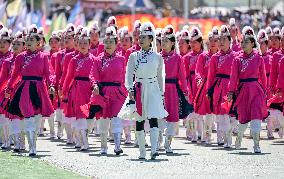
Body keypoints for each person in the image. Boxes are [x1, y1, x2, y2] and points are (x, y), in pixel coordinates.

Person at [5, 25, 54, 156]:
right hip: (25, 88)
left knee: (37, 118)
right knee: (28, 116)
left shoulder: (43, 57)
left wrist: (51, 85)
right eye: (28, 40)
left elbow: (48, 73)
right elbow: (14, 74)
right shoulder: (20, 57)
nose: (28, 42)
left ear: (38, 43)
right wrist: (9, 88)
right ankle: (31, 147)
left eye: (32, 40)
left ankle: (33, 143)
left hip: (39, 88)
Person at [123, 22, 168, 159]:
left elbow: (161, 76)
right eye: (140, 37)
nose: (141, 40)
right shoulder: (134, 56)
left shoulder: (158, 57)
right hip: (139, 89)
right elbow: (129, 74)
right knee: (139, 119)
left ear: (151, 39)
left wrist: (161, 93)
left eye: (145, 37)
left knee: (153, 118)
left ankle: (154, 149)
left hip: (153, 89)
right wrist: (130, 89)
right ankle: (142, 150)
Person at [227, 26, 267, 153]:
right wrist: (231, 92)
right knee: (243, 119)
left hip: (256, 91)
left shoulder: (258, 58)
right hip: (243, 91)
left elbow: (263, 76)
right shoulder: (237, 59)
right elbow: (233, 78)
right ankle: (239, 137)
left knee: (256, 117)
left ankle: (256, 144)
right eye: (242, 41)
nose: (243, 44)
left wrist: (264, 91)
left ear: (253, 44)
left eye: (246, 42)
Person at [90, 26, 126, 155]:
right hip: (103, 92)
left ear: (117, 44)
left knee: (116, 118)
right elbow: (93, 74)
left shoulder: (121, 59)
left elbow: (125, 76)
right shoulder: (98, 59)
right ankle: (103, 146)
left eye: (111, 42)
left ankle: (117, 146)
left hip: (117, 92)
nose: (109, 44)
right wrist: (95, 85)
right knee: (103, 119)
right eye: (106, 41)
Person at [62, 28, 94, 151]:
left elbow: (95, 75)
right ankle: (83, 142)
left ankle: (81, 138)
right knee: (80, 114)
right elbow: (68, 76)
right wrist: (64, 91)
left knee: (89, 117)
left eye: (85, 43)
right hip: (77, 89)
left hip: (90, 89)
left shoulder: (93, 59)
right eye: (80, 43)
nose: (82, 45)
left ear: (89, 45)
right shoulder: (74, 60)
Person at [207, 25, 238, 147]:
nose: (221, 42)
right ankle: (225, 139)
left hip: (231, 87)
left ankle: (228, 136)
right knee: (221, 114)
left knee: (232, 116)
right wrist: (209, 91)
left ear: (230, 41)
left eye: (224, 39)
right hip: (219, 88)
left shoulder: (236, 56)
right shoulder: (215, 57)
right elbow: (211, 76)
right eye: (220, 39)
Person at [160, 25, 187, 153]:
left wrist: (186, 92)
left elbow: (182, 77)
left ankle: (168, 143)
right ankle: (158, 140)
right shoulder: (157, 57)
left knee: (172, 117)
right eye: (162, 40)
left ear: (172, 43)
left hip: (172, 91)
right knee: (159, 116)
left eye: (166, 41)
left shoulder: (178, 58)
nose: (163, 43)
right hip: (159, 90)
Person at [194, 27, 219, 144]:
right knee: (208, 113)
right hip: (206, 87)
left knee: (221, 113)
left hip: (219, 86)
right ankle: (207, 135)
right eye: (211, 40)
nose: (213, 43)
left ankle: (222, 137)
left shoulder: (221, 57)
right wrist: (199, 79)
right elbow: (198, 71)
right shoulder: (203, 56)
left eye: (216, 40)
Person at [183, 27, 203, 142]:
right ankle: (191, 131)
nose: (193, 44)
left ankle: (200, 132)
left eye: (195, 42)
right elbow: (184, 75)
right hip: (191, 85)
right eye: (191, 42)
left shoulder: (205, 56)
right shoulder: (187, 58)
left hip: (201, 85)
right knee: (191, 110)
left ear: (200, 42)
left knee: (200, 111)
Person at [0, 27, 13, 149]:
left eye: (5, 42)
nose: (2, 44)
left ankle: (8, 139)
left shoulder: (13, 58)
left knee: (7, 115)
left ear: (10, 44)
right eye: (0, 42)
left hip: (8, 91)